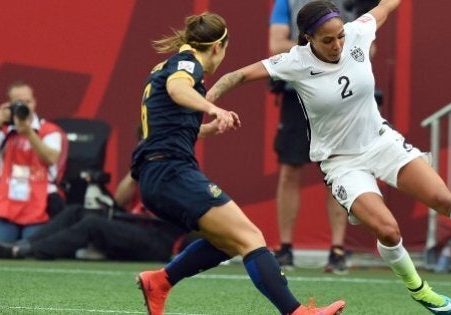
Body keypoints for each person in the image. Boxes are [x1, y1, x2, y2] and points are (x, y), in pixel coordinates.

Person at [207, 1, 451, 313]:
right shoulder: (294, 62)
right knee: (388, 230)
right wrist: (208, 104)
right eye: (328, 40)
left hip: (382, 141)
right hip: (341, 162)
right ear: (308, 38)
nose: (338, 45)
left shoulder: (358, 32)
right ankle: (419, 289)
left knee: (443, 199)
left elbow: (387, 5)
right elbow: (234, 76)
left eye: (340, 36)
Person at [129, 13, 345, 315]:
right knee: (251, 238)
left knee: (228, 242)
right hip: (171, 173)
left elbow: (167, 124)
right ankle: (297, 313)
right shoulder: (187, 64)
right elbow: (178, 90)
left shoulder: (165, 66)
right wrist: (212, 108)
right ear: (218, 47)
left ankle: (160, 282)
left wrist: (204, 128)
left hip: (160, 173)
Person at [269, 0, 357, 275]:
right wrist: (321, 50)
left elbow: (367, 46)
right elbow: (276, 43)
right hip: (298, 92)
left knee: (338, 170)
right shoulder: (288, 1)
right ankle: (284, 248)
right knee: (290, 169)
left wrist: (331, 48)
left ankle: (338, 249)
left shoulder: (352, 3)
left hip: (338, 94)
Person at [0, 173, 191, 262]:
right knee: (76, 210)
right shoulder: (146, 166)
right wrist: (137, 168)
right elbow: (119, 201)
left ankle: (30, 251)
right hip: (133, 227)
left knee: (93, 224)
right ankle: (22, 245)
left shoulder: (173, 170)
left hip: (158, 239)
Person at [0, 81, 67, 243]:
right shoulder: (3, 131)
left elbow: (50, 158)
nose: (24, 106)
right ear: (9, 105)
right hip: (8, 205)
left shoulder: (50, 131)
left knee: (32, 249)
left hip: (41, 206)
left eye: (27, 102)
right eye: (18, 103)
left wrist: (29, 133)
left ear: (34, 102)